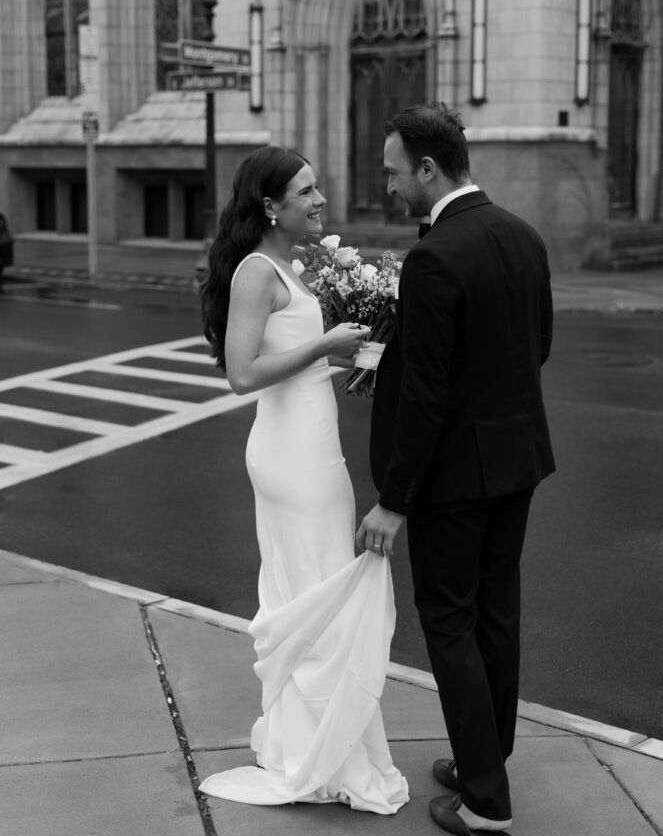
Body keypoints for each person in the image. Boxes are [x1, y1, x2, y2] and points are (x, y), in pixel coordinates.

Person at [356, 103, 555, 835]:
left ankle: (484, 804)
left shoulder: (435, 257)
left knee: (448, 621)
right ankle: (486, 760)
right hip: (517, 460)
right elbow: (535, 347)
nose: (390, 186)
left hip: (453, 478)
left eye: (393, 171)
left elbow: (426, 396)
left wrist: (392, 500)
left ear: (429, 169)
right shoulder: (523, 235)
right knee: (495, 615)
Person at [198, 145, 409, 814]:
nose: (320, 201)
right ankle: (316, 755)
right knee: (317, 593)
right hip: (290, 458)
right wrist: (324, 344)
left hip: (312, 444)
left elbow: (296, 365)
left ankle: (313, 745)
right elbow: (239, 375)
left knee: (314, 591)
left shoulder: (289, 267)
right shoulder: (257, 272)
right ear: (271, 206)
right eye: (307, 191)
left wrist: (356, 361)